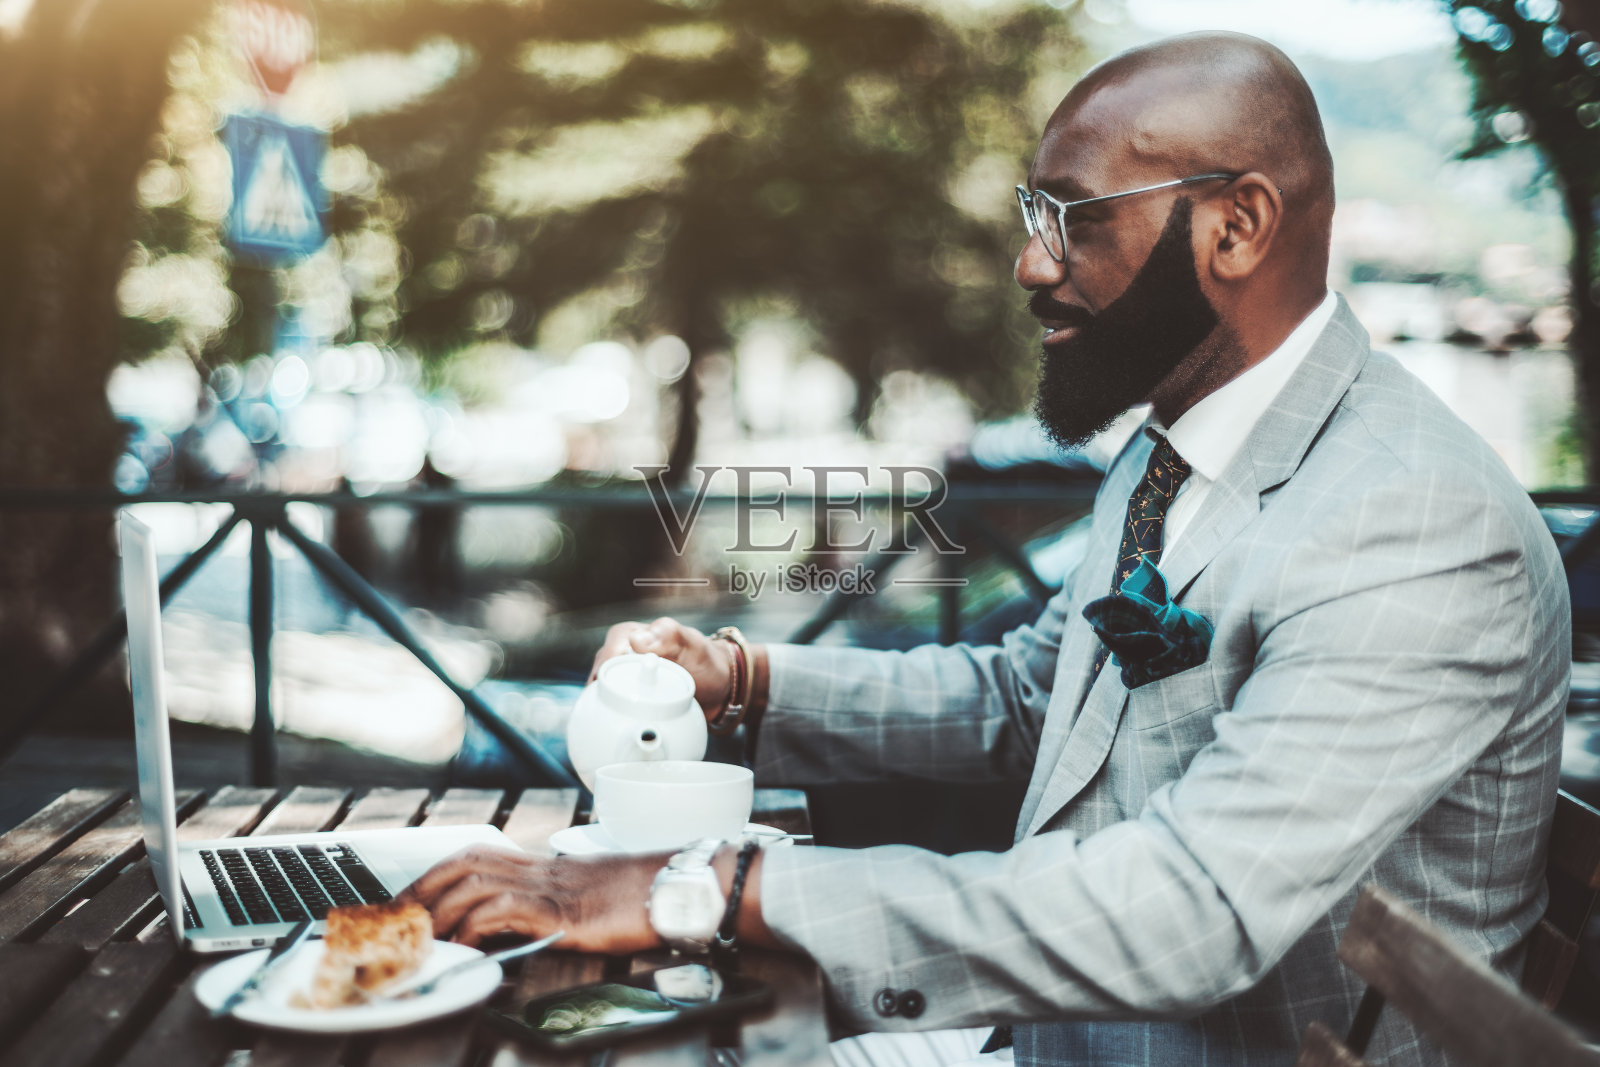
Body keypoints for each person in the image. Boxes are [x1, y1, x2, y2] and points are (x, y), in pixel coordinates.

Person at [403, 32, 1570, 1067]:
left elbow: (1191, 907)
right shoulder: (1169, 449)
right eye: (1033, 215)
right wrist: (744, 679)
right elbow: (1027, 697)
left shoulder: (1414, 521)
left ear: (1238, 224)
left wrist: (702, 889)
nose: (1032, 262)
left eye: (1075, 216)